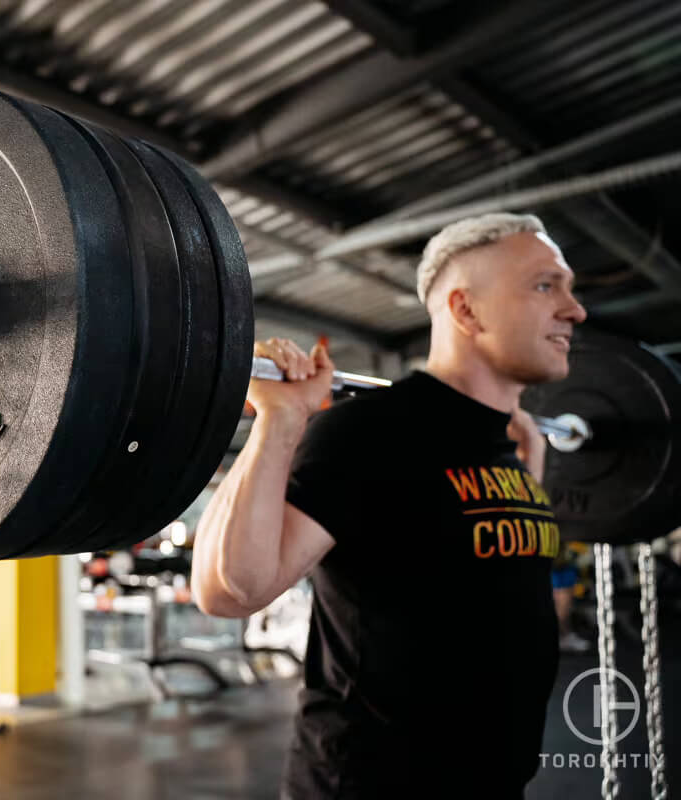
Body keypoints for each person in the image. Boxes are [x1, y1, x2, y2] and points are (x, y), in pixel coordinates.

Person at [192, 213, 587, 798]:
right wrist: (282, 416)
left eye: (569, 288)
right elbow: (228, 590)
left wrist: (528, 459)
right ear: (466, 310)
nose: (574, 309)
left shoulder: (510, 443)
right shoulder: (372, 431)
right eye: (545, 285)